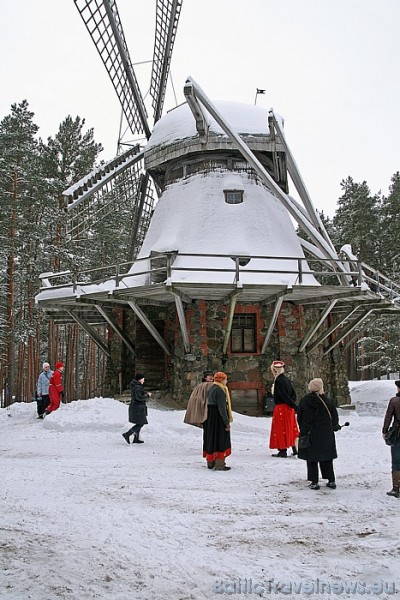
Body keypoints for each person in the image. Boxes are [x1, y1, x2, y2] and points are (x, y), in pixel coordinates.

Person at [297, 378, 341, 490]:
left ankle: (314, 481)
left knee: (312, 459)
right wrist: (335, 426)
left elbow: (300, 417)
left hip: (310, 433)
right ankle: (331, 480)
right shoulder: (328, 401)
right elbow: (334, 417)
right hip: (325, 434)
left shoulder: (304, 401)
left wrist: (303, 429)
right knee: (326, 457)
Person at [203, 371, 233, 471]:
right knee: (220, 439)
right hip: (217, 418)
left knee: (211, 439)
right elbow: (222, 408)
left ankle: (210, 462)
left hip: (210, 416)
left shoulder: (211, 388)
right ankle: (220, 464)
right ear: (222, 380)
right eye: (225, 379)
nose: (226, 381)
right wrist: (226, 421)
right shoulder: (220, 390)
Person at [269, 360, 299, 457]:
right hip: (289, 408)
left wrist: (293, 405)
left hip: (282, 407)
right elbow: (293, 394)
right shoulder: (286, 379)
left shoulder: (278, 381)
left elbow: (283, 395)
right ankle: (295, 448)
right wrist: (293, 405)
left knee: (281, 429)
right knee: (291, 428)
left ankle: (282, 450)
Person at [382, 380, 400, 498]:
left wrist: (385, 431)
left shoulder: (394, 401)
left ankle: (396, 488)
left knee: (397, 461)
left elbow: (388, 417)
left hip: (398, 434)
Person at [122, 373, 152, 444]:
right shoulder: (137, 387)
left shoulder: (136, 386)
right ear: (140, 379)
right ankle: (127, 434)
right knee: (141, 423)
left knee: (139, 422)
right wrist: (147, 396)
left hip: (137, 407)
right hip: (138, 408)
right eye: (143, 379)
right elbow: (139, 397)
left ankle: (136, 437)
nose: (144, 381)